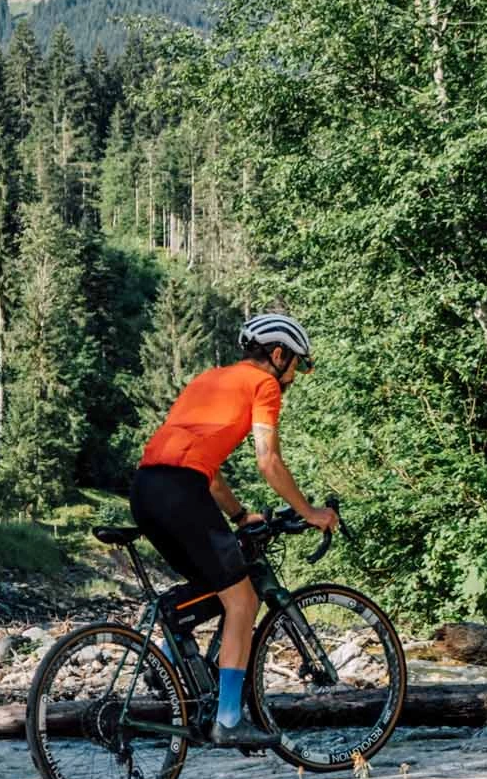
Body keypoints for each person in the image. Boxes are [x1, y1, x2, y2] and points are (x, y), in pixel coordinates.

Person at [131, 313, 340, 736]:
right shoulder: (263, 385)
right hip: (182, 493)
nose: (295, 373)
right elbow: (269, 460)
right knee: (243, 601)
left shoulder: (208, 379)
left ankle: (166, 662)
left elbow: (205, 469)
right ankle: (228, 720)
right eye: (297, 363)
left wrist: (241, 516)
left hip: (146, 489)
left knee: (220, 588)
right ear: (278, 355)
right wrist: (310, 512)